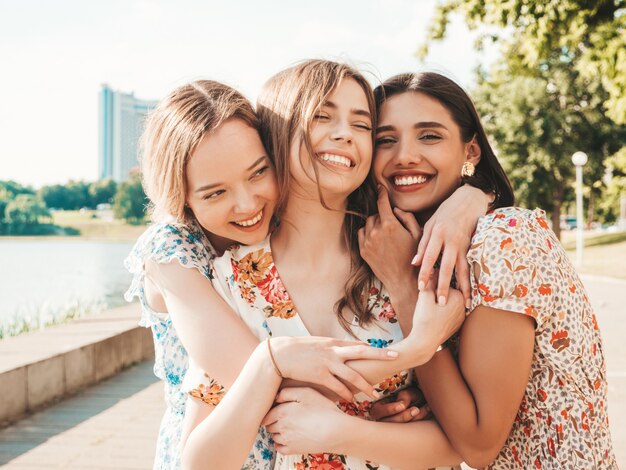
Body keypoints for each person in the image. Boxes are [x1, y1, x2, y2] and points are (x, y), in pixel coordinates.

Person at [181, 60, 494, 470]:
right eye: (321, 116)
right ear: (278, 131)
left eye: (363, 125)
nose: (345, 133)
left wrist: (474, 194)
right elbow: (197, 464)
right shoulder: (230, 281)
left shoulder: (404, 258)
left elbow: (456, 444)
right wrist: (266, 363)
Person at [124, 80, 398, 470]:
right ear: (182, 196)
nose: (247, 204)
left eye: (257, 173)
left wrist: (474, 194)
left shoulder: (277, 231)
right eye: (214, 193)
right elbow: (262, 377)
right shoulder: (172, 252)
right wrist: (390, 386)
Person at [358, 71, 617, 468]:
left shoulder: (503, 238)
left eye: (429, 135)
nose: (404, 155)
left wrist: (403, 285)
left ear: (471, 151)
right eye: (385, 140)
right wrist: (418, 403)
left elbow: (479, 444)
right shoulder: (413, 243)